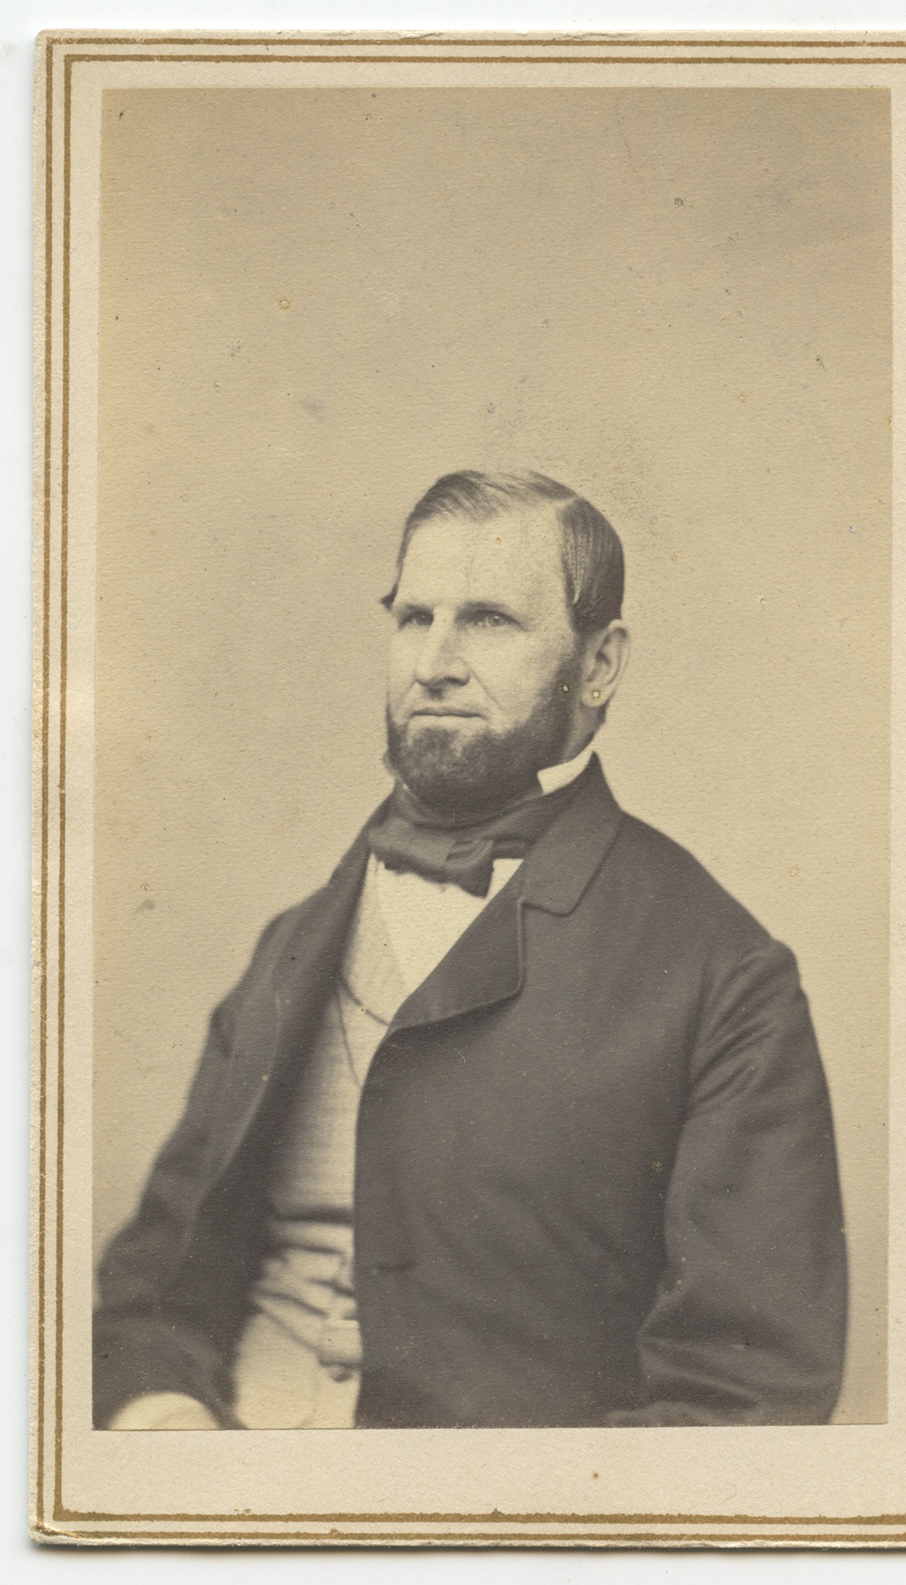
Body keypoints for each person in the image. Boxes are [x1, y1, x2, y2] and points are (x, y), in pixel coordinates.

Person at [94, 469, 847, 1432]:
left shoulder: (725, 977)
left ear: (600, 664)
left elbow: (747, 1401)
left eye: (489, 621)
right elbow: (149, 1297)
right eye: (414, 617)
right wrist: (164, 1420)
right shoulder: (291, 944)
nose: (434, 663)